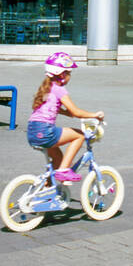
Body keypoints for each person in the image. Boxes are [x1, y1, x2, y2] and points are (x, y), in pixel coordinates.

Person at [26, 52, 104, 181]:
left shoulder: (46, 87)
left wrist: (64, 112)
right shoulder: (59, 89)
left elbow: (48, 108)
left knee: (58, 158)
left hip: (32, 131)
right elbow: (76, 112)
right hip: (46, 131)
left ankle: (49, 188)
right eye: (69, 73)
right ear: (62, 74)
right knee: (79, 135)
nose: (70, 76)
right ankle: (63, 171)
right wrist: (95, 115)